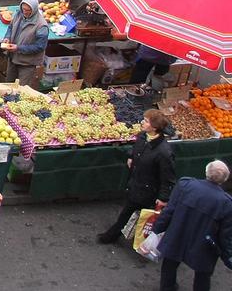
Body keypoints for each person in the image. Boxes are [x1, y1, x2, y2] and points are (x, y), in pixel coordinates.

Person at [96, 108, 177, 245]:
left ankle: (143, 241)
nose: (142, 122)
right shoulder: (142, 136)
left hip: (149, 190)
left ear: (155, 127)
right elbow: (135, 149)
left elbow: (167, 177)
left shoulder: (164, 152)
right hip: (137, 184)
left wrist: (163, 198)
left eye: (146, 121)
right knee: (128, 212)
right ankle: (115, 235)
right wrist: (131, 156)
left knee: (143, 216)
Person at [151, 160, 232, 291]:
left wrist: (156, 230)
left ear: (206, 172)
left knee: (169, 264)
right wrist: (227, 257)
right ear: (224, 179)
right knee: (203, 275)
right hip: (203, 244)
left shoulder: (185, 185)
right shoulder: (226, 203)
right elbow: (225, 235)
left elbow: (169, 211)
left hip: (178, 234)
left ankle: (168, 287)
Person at [0, 0, 48, 88]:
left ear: (34, 9)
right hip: (13, 58)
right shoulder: (19, 14)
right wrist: (7, 37)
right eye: (23, 9)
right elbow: (11, 27)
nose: (25, 12)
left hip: (27, 63)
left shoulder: (41, 26)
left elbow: (40, 46)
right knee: (9, 86)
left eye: (28, 10)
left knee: (22, 89)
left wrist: (18, 48)